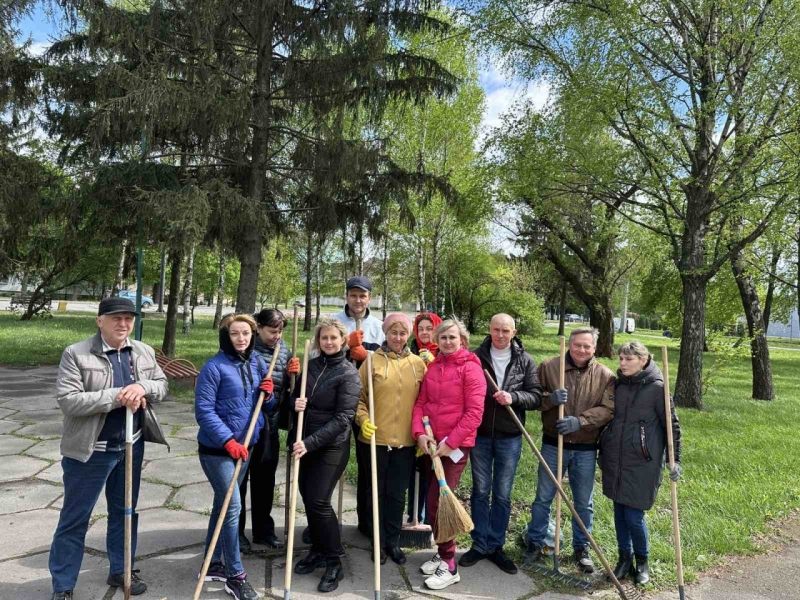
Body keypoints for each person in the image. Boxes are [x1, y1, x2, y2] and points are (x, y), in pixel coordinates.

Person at [49, 297, 168, 600]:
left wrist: (143, 387)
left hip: (130, 446)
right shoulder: (76, 354)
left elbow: (162, 384)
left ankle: (121, 569)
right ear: (99, 321)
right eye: (116, 318)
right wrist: (118, 396)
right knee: (75, 518)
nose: (123, 324)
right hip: (90, 452)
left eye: (129, 318)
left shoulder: (142, 351)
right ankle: (63, 585)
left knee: (125, 512)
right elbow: (69, 400)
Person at [195, 314, 275, 600]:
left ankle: (212, 562)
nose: (241, 339)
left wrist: (269, 394)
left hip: (247, 448)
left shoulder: (257, 363)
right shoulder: (213, 368)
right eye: (235, 334)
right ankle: (235, 575)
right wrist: (228, 441)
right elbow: (204, 411)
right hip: (218, 451)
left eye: (246, 334)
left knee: (222, 504)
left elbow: (264, 406)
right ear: (225, 337)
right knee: (232, 507)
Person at [523, 327, 615, 574]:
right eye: (577, 345)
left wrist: (581, 420)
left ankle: (581, 548)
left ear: (594, 348)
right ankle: (536, 542)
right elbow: (533, 398)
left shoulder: (606, 375)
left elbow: (608, 409)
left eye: (587, 346)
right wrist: (550, 399)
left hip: (585, 447)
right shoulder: (550, 367)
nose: (582, 350)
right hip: (554, 444)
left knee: (583, 502)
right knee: (543, 497)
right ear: (569, 345)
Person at [461, 314, 543, 574]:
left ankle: (496, 546)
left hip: (510, 436)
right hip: (481, 435)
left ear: (514, 332)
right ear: (489, 329)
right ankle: (479, 543)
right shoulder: (475, 358)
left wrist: (514, 396)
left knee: (503, 494)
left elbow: (536, 397)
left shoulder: (524, 360)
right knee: (480, 491)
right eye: (496, 329)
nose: (500, 335)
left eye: (505, 330)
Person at [599, 341, 682, 586]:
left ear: (643, 360)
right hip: (616, 458)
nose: (622, 363)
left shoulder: (657, 389)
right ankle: (624, 558)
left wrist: (674, 459)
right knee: (619, 514)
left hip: (643, 462)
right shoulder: (619, 385)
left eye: (628, 359)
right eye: (621, 358)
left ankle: (642, 561)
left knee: (634, 516)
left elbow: (672, 427)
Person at [412, 318, 486, 590]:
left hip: (454, 447)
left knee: (438, 502)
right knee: (432, 501)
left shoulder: (470, 369)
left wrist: (451, 443)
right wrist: (420, 434)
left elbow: (474, 414)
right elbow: (421, 403)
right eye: (442, 337)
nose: (447, 342)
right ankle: (443, 552)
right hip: (431, 444)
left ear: (462, 340)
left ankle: (450, 565)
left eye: (452, 338)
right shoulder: (433, 367)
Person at [289, 317, 361, 593]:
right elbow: (296, 399)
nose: (328, 342)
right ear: (318, 341)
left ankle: (334, 560)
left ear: (343, 340)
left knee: (319, 500)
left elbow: (343, 417)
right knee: (308, 498)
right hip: (304, 441)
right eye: (324, 338)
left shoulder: (348, 373)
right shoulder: (311, 366)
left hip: (330, 446)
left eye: (333, 338)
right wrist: (295, 400)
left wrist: (311, 442)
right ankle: (318, 549)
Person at [355, 313, 426, 565]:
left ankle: (393, 541)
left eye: (403, 333)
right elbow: (359, 399)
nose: (398, 337)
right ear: (386, 334)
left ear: (409, 335)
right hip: (375, 439)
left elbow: (424, 403)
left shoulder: (418, 364)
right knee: (376, 492)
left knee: (397, 493)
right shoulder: (372, 361)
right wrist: (363, 421)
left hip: (406, 442)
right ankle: (377, 540)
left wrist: (421, 434)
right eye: (393, 332)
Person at [238, 308, 300, 552]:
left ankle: (263, 531)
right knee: (239, 482)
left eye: (280, 331)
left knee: (265, 481)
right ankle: (237, 532)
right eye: (272, 331)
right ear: (258, 328)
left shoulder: (283, 349)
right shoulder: (246, 348)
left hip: (269, 424)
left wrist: (292, 373)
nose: (277, 336)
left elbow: (289, 386)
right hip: (244, 425)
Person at [331, 276, 383, 536]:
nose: (358, 300)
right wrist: (344, 345)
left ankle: (366, 521)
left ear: (369, 298)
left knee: (367, 462)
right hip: (336, 398)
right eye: (353, 295)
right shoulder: (333, 321)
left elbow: (386, 361)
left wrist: (368, 356)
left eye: (363, 295)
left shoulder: (378, 326)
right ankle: (326, 518)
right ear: (346, 297)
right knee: (331, 458)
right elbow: (320, 353)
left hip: (366, 400)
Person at [406, 312, 442, 526]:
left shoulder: (443, 352)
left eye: (430, 328)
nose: (425, 333)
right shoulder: (410, 351)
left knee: (434, 472)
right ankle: (413, 516)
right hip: (416, 417)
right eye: (421, 329)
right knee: (415, 472)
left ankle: (432, 519)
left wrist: (433, 363)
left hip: (437, 421)